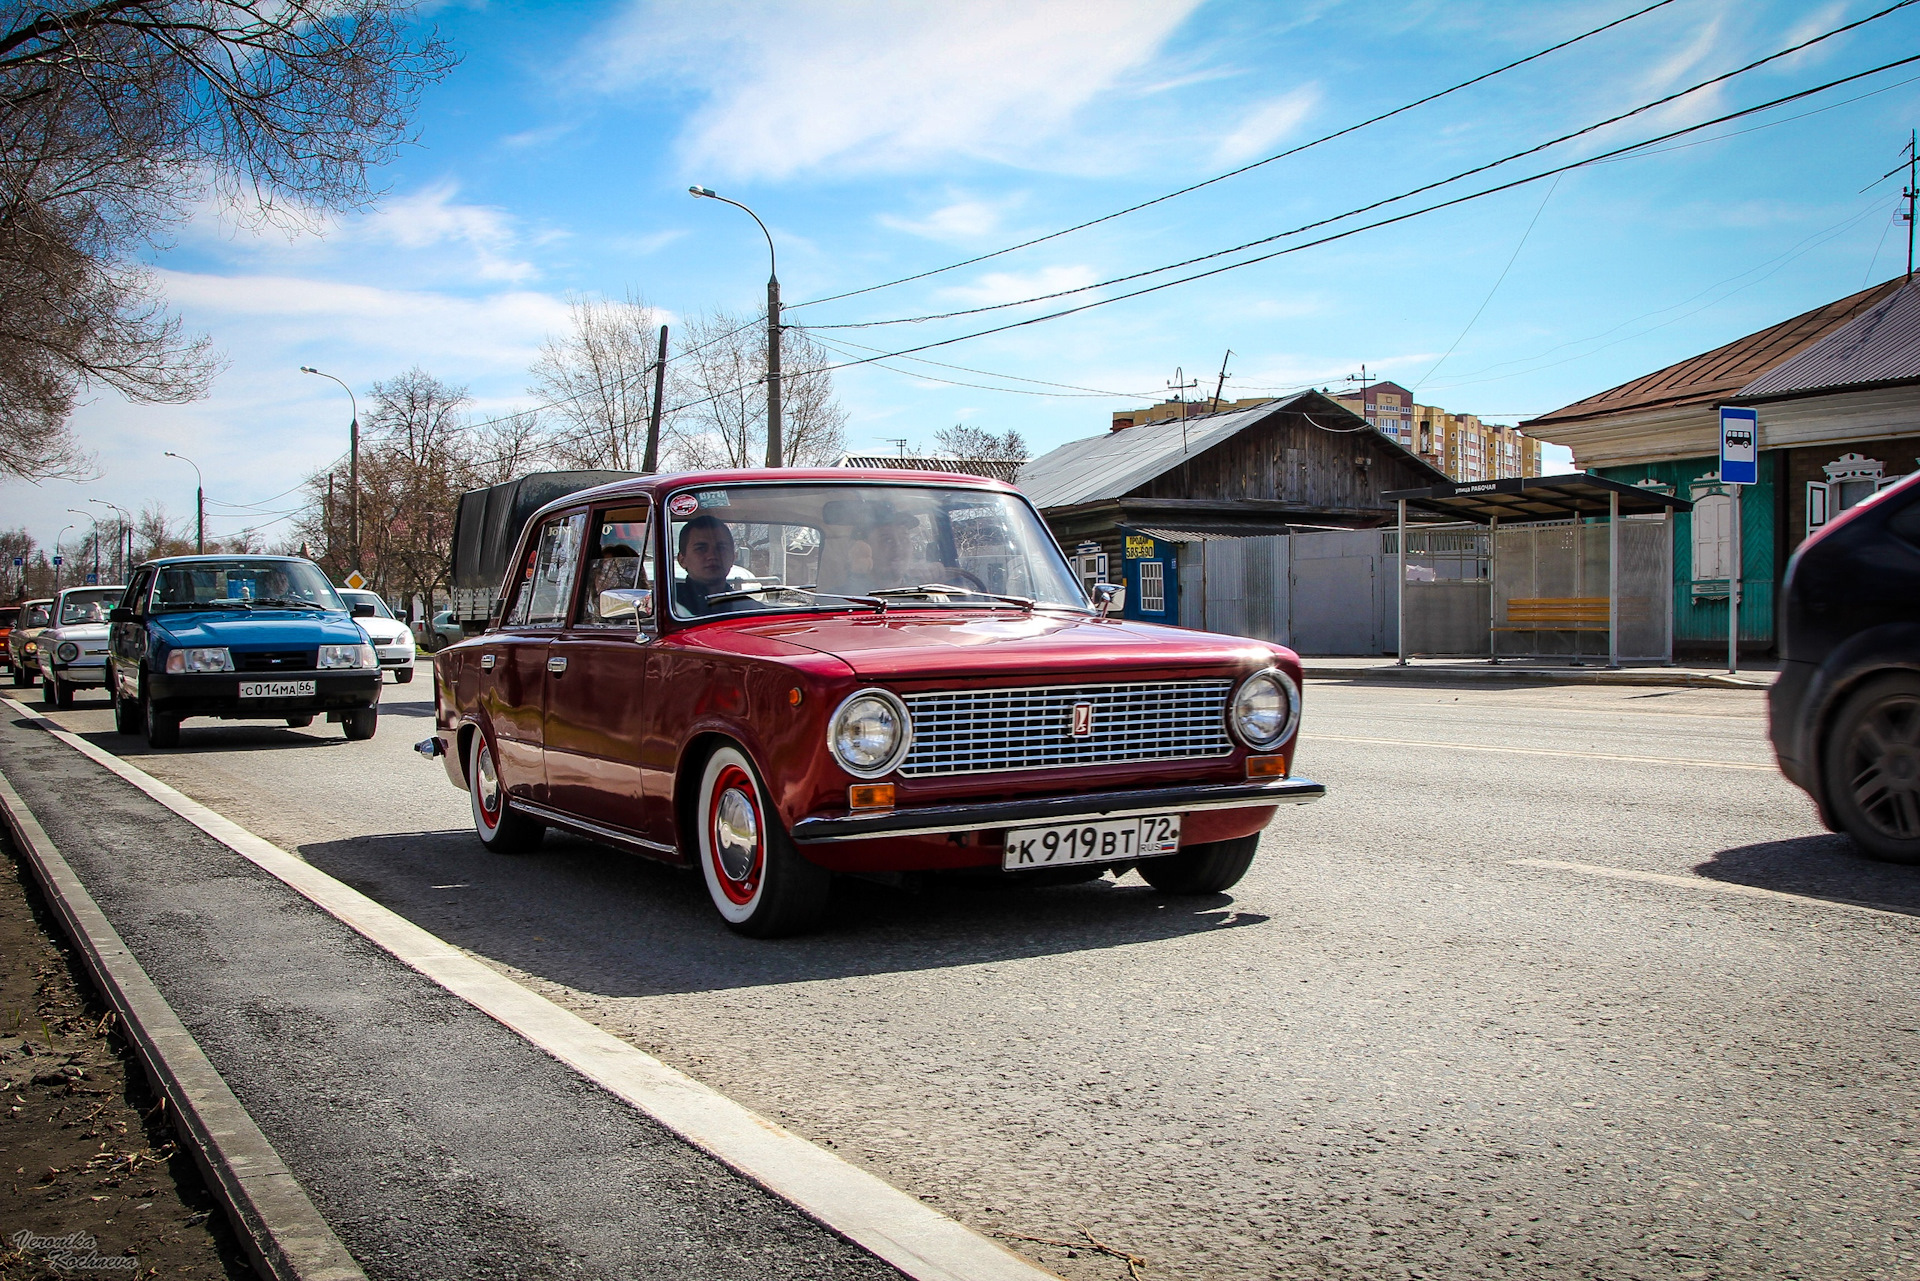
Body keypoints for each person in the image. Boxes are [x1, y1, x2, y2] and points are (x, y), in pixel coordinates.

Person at [674, 514, 739, 616]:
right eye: (701, 548)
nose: (712, 556)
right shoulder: (668, 606)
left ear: (733, 557)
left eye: (721, 548)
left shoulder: (749, 609)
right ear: (682, 560)